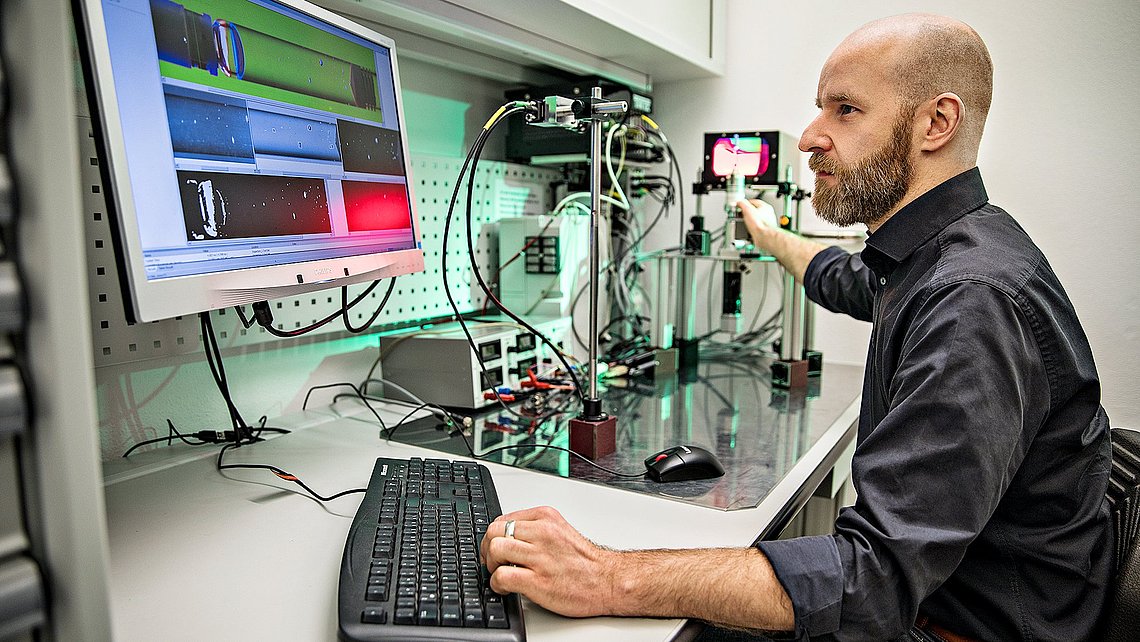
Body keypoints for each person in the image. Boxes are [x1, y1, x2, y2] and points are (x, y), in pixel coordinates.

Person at [479, 13, 1113, 641]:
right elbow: (845, 279)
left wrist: (608, 577)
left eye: (845, 110)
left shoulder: (973, 300)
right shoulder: (943, 255)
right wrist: (767, 235)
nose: (810, 136)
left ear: (936, 123)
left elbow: (871, 581)